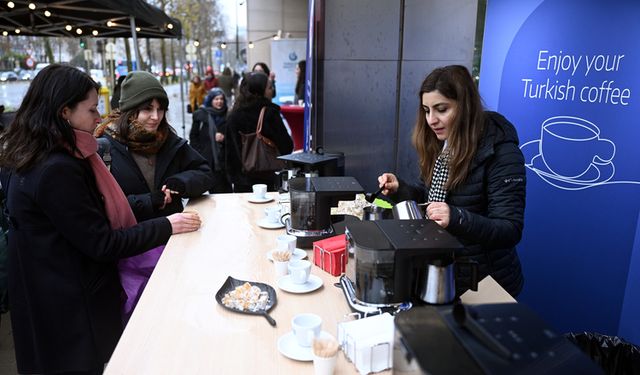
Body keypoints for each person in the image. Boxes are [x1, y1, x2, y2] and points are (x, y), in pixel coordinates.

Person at [0, 64, 201, 374]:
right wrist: (166, 225)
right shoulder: (58, 167)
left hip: (41, 293)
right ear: (64, 111)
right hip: (66, 305)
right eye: (92, 108)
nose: (99, 117)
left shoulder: (29, 152)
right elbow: (102, 242)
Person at [378, 65, 526, 298]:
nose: (431, 120)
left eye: (441, 109)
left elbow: (510, 229)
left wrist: (456, 217)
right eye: (426, 110)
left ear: (465, 107)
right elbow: (433, 200)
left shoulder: (502, 152)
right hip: (447, 275)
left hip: (487, 283)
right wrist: (401, 189)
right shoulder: (442, 143)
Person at [96, 71, 213, 223]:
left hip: (174, 240)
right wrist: (148, 201)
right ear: (130, 111)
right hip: (132, 242)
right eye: (148, 109)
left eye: (160, 109)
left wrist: (182, 182)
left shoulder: (169, 140)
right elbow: (99, 205)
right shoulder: (105, 146)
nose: (156, 117)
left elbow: (205, 173)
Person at [224, 72, 293, 192]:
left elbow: (229, 153)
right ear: (260, 90)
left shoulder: (233, 115)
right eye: (270, 87)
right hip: (269, 179)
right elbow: (286, 146)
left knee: (246, 211)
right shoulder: (269, 114)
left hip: (242, 182)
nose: (272, 90)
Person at [190, 88, 232, 193]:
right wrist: (200, 154)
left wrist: (224, 138)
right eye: (216, 99)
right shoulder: (200, 115)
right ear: (210, 100)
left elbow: (233, 136)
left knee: (226, 192)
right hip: (208, 160)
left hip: (224, 161)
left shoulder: (228, 115)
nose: (219, 101)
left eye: (221, 99)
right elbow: (193, 137)